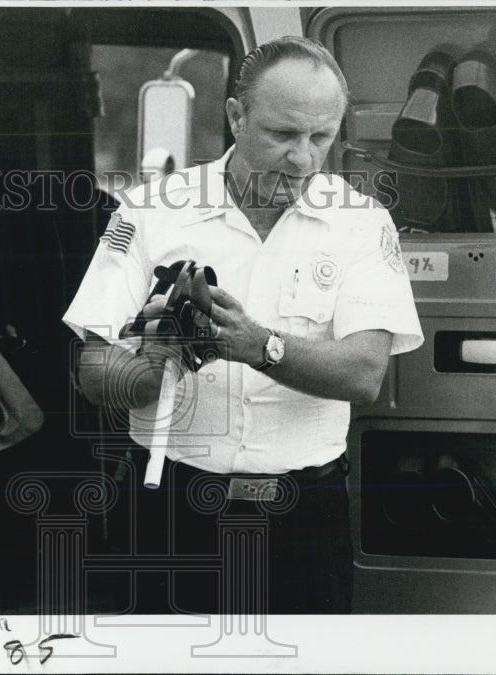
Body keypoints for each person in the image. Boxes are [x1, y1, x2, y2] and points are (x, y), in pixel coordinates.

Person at [63, 36, 423, 614]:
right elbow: (92, 369)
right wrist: (158, 360)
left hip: (304, 517)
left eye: (321, 137)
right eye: (282, 134)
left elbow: (364, 374)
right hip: (172, 505)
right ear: (236, 116)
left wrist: (259, 347)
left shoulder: (362, 223)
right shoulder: (149, 211)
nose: (303, 158)